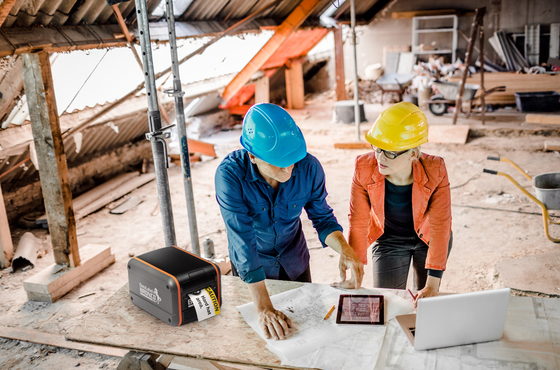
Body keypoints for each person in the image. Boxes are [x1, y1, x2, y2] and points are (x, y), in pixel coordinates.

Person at [215, 103, 364, 340]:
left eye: (292, 159)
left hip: (294, 260)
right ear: (252, 155)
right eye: (278, 161)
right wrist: (263, 306)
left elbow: (323, 218)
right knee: (260, 336)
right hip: (252, 267)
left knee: (304, 330)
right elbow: (241, 239)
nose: (289, 168)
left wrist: (345, 250)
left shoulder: (309, 167)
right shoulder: (230, 176)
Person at [348, 102, 452, 306]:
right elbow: (358, 222)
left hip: (428, 238)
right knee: (389, 303)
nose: (379, 157)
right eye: (377, 148)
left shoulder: (436, 169)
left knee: (424, 303)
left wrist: (432, 285)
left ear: (413, 154)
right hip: (389, 240)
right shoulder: (363, 167)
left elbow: (441, 225)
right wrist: (355, 270)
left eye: (390, 152)